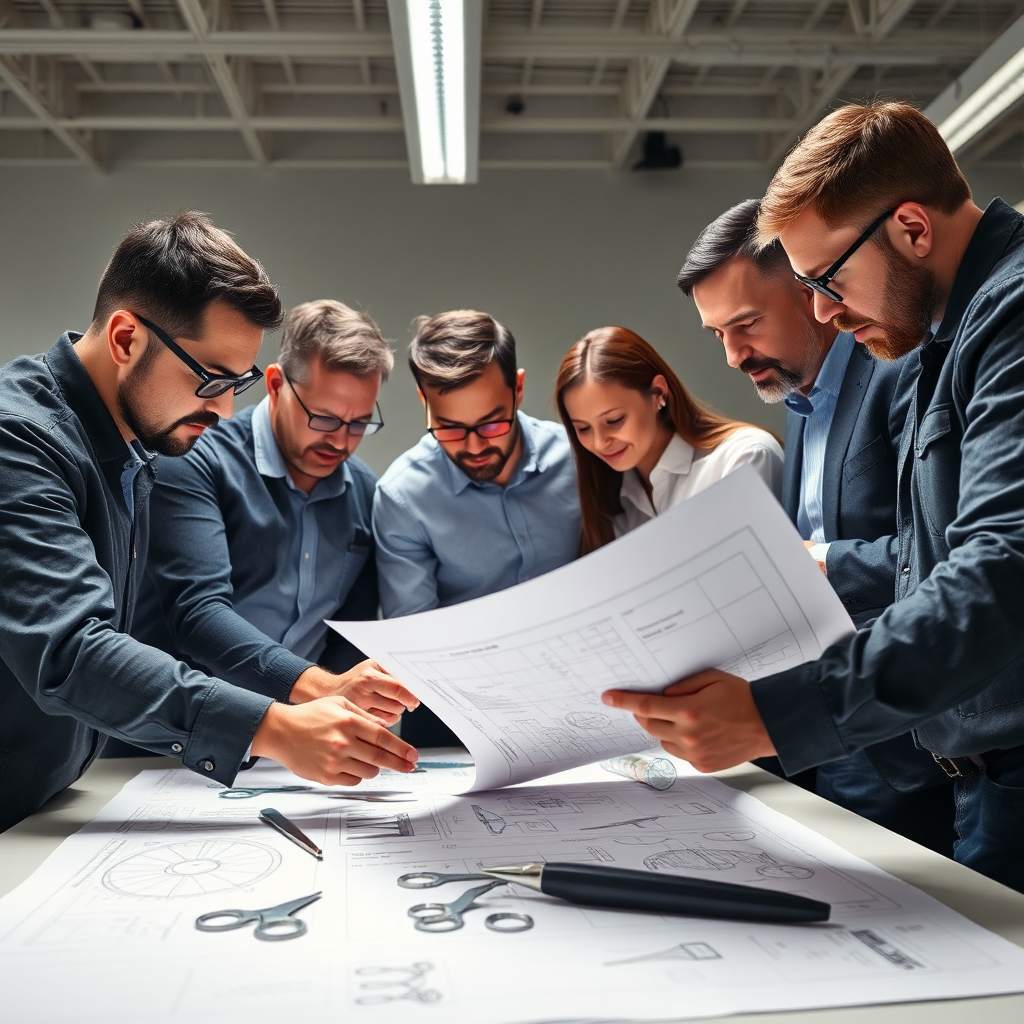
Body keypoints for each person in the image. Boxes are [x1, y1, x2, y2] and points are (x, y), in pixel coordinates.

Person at [602, 101, 1024, 891]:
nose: (824, 311)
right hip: (978, 771)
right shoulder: (942, 335)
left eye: (828, 280)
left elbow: (1004, 565)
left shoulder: (1013, 313)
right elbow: (930, 560)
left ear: (911, 227)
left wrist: (779, 714)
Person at [0, 212, 417, 833]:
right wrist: (274, 726)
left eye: (237, 383)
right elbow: (72, 651)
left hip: (51, 795)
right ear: (124, 340)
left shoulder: (133, 444)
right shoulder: (20, 440)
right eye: (211, 380)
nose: (224, 409)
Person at [677, 200, 954, 855]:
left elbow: (942, 560)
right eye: (717, 334)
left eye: (746, 324)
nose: (734, 355)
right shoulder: (799, 399)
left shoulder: (901, 371)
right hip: (823, 740)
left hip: (909, 747)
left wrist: (813, 560)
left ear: (810, 290)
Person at [128, 299, 418, 753]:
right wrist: (321, 688)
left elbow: (349, 633)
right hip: (166, 746)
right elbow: (199, 615)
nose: (341, 440)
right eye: (323, 418)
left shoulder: (363, 492)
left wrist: (347, 706)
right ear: (276, 384)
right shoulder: (196, 459)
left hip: (294, 752)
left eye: (359, 423)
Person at [374, 309, 581, 745]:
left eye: (491, 422)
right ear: (423, 401)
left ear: (519, 388)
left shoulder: (583, 460)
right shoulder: (404, 495)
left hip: (583, 700)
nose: (473, 446)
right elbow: (417, 642)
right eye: (448, 427)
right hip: (458, 719)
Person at [555, 325, 782, 553]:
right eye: (583, 429)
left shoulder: (743, 458)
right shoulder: (611, 506)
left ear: (658, 394)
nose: (599, 442)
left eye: (614, 420)